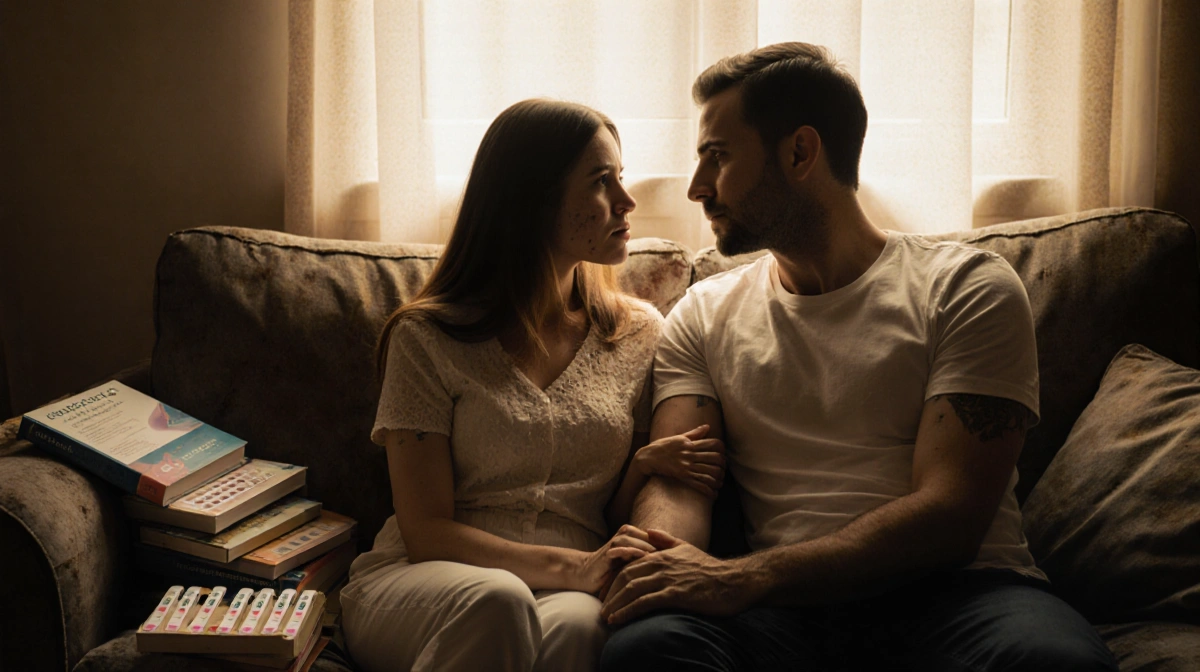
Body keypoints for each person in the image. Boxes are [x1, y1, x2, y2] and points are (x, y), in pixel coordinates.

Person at [598, 43, 1118, 671]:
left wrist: (741, 578)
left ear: (800, 153)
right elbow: (682, 479)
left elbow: (951, 517)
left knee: (1055, 663)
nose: (697, 187)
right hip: (786, 614)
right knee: (647, 648)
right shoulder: (703, 314)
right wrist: (665, 567)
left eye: (719, 156)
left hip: (964, 595)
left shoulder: (966, 287)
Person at [338, 98, 726, 672]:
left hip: (566, 589)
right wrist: (575, 567)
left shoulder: (637, 334)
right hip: (425, 581)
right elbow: (426, 531)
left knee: (582, 630)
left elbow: (606, 514)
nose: (626, 200)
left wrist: (640, 465)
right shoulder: (426, 337)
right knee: (498, 601)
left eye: (620, 177)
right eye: (602, 181)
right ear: (533, 201)